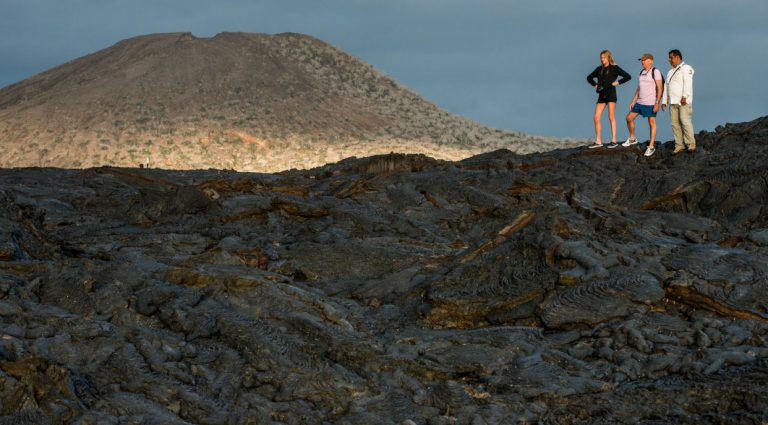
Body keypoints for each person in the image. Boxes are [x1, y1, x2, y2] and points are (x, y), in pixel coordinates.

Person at [586, 50, 632, 148]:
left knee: (611, 116)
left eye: (604, 57)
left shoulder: (614, 68)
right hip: (602, 95)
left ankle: (614, 140)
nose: (602, 59)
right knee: (596, 117)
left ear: (608, 58)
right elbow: (589, 77)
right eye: (601, 58)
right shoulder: (599, 69)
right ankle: (598, 141)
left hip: (611, 94)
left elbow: (628, 76)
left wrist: (617, 83)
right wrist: (595, 85)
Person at [623, 53, 663, 157]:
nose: (642, 62)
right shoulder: (641, 72)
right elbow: (639, 88)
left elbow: (660, 88)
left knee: (651, 122)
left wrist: (657, 103)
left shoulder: (655, 71)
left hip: (650, 102)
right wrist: (633, 101)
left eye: (644, 60)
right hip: (640, 102)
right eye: (641, 60)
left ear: (651, 61)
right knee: (628, 118)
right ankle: (632, 138)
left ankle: (651, 146)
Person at [661, 49, 696, 154]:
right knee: (674, 124)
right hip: (673, 102)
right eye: (669, 58)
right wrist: (664, 101)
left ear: (677, 57)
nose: (669, 60)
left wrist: (684, 96)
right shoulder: (670, 72)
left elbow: (688, 83)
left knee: (685, 121)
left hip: (683, 101)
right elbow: (666, 87)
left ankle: (691, 143)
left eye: (671, 57)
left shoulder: (686, 68)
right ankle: (679, 145)